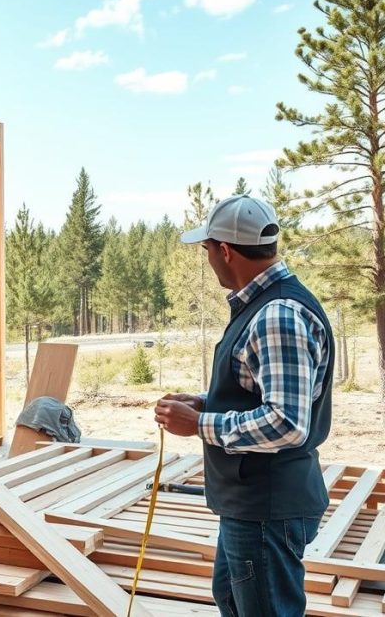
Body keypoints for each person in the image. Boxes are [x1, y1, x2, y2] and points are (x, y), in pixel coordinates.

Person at [154, 194, 333, 617]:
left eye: (207, 249)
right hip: (252, 504)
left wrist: (199, 423)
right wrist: (203, 402)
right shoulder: (264, 304)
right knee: (234, 600)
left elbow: (287, 422)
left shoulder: (277, 315)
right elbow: (260, 389)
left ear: (226, 250)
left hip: (266, 508)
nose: (208, 258)